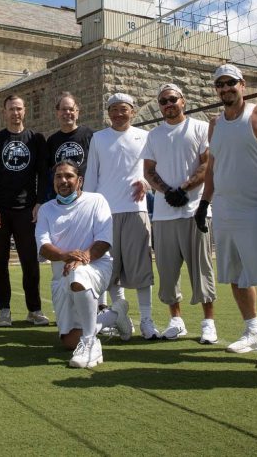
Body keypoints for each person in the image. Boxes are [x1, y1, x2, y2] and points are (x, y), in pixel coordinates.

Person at [197, 64, 257, 369]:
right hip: (224, 211)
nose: (225, 89)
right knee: (236, 276)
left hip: (256, 209)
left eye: (230, 83)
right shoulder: (214, 124)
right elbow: (212, 167)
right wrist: (204, 203)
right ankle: (253, 332)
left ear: (242, 84)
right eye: (220, 85)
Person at [141, 83, 217, 343]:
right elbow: (148, 170)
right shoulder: (154, 135)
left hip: (195, 210)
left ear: (183, 101)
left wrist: (183, 188)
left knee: (202, 269)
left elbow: (207, 163)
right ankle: (176, 320)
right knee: (168, 271)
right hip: (164, 215)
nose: (168, 105)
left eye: (172, 99)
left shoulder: (199, 128)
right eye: (163, 101)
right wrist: (166, 191)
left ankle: (208, 323)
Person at [83, 92, 158, 340]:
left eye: (123, 109)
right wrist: (89, 211)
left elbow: (154, 172)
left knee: (141, 269)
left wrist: (146, 185)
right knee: (110, 270)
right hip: (105, 214)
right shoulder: (98, 138)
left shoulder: (145, 137)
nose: (117, 113)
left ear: (132, 111)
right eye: (113, 109)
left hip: (136, 212)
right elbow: (92, 175)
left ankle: (146, 320)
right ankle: (119, 314)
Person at [36, 161, 115, 368]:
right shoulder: (46, 209)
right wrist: (66, 255)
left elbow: (104, 241)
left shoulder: (97, 200)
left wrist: (82, 258)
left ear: (79, 180)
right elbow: (43, 247)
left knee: (78, 276)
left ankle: (91, 343)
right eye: (58, 177)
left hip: (97, 267)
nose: (63, 181)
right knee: (70, 342)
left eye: (69, 176)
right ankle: (111, 317)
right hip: (61, 275)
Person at [0, 94, 49, 327]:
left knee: (30, 262)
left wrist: (40, 202)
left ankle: (34, 309)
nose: (15, 113)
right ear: (4, 112)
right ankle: (4, 309)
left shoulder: (36, 139)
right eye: (11, 109)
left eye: (19, 109)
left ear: (25, 111)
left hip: (27, 211)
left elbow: (44, 174)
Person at [43, 92, 93, 201]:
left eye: (71, 109)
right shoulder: (52, 141)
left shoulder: (90, 135)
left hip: (85, 197)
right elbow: (48, 173)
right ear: (57, 113)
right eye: (64, 109)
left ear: (77, 113)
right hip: (61, 198)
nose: (67, 113)